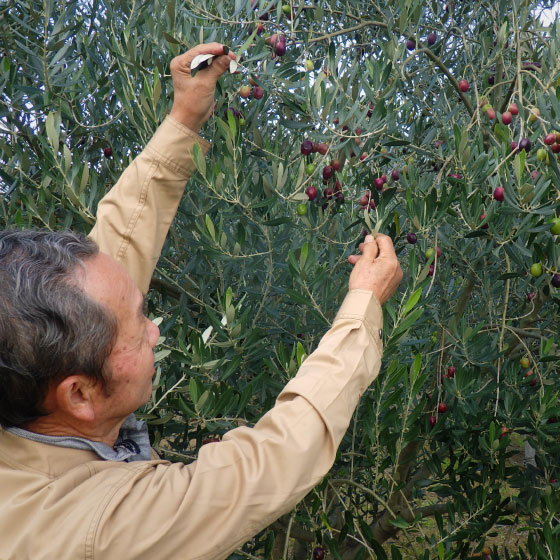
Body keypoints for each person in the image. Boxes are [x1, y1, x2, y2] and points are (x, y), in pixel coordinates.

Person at [0, 43, 402, 559]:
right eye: (138, 325)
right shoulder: (104, 532)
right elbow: (275, 461)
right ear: (78, 395)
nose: (155, 332)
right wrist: (363, 304)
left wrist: (183, 120)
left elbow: (107, 269)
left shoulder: (27, 383)